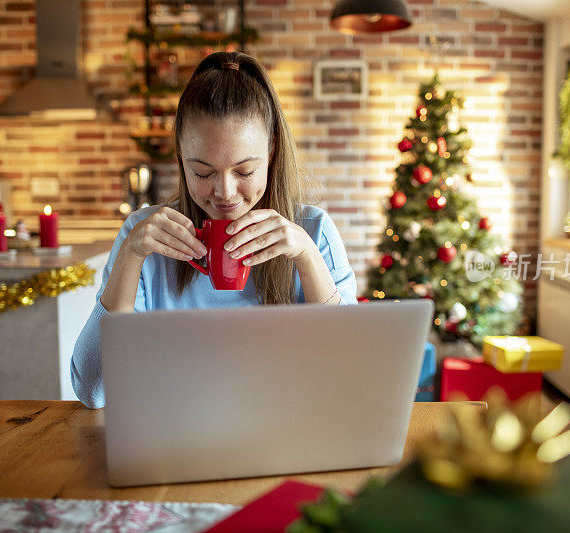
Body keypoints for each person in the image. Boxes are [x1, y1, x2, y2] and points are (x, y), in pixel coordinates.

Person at [71, 51, 357, 409]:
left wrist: (306, 256)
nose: (224, 193)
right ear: (180, 158)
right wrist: (130, 257)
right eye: (203, 173)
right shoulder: (143, 237)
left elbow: (350, 379)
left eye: (244, 171)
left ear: (271, 151)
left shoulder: (313, 233)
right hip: (174, 441)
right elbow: (93, 392)